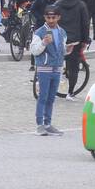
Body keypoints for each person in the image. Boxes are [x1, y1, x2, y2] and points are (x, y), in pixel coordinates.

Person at [31, 7, 67, 136]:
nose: (51, 20)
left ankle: (48, 123)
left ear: (58, 17)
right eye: (48, 17)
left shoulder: (62, 32)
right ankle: (40, 125)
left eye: (54, 17)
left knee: (51, 98)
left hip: (57, 69)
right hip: (44, 69)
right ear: (45, 18)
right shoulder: (40, 32)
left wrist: (67, 50)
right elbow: (34, 51)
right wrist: (44, 43)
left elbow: (61, 50)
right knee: (43, 97)